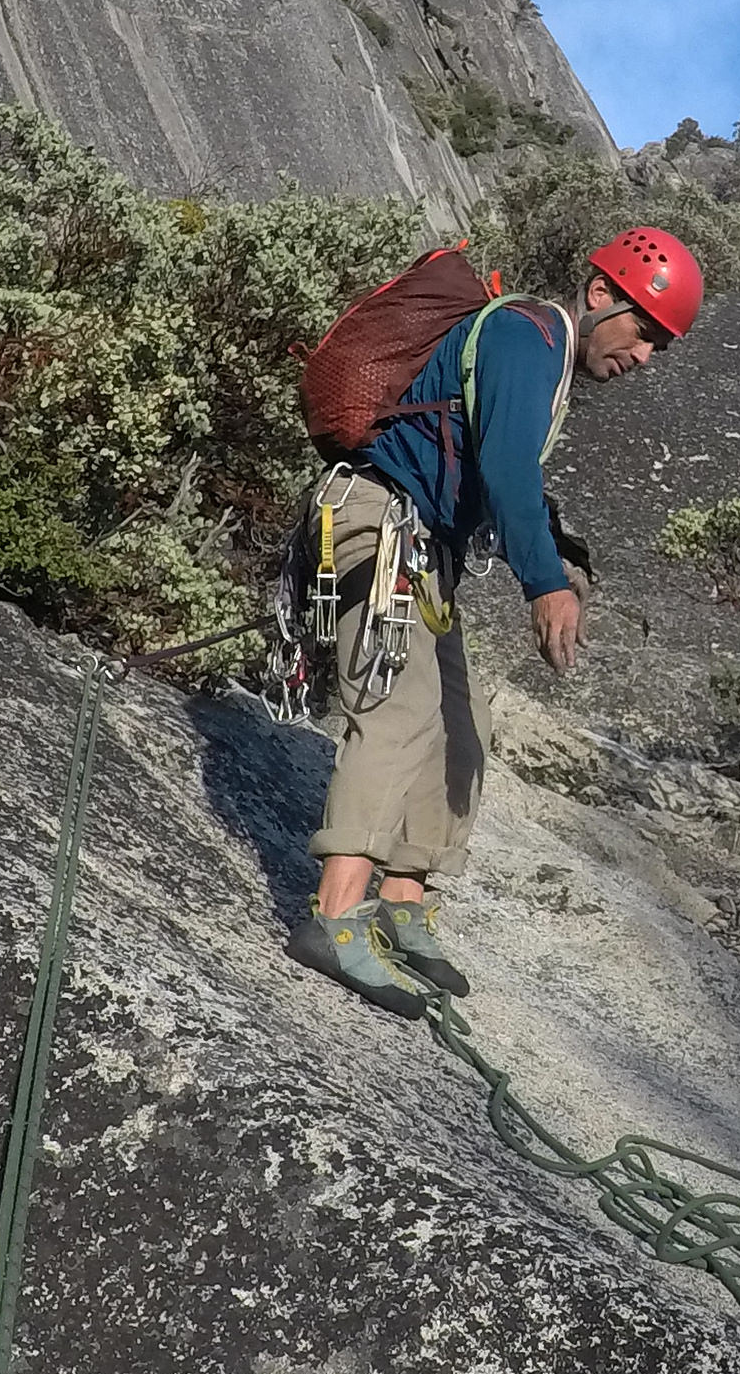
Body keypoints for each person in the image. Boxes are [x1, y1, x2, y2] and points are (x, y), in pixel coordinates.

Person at [284, 227, 703, 1018]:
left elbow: (495, 466)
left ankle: (403, 903)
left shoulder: (540, 358)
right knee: (400, 708)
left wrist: (552, 543)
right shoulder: (526, 334)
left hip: (420, 541)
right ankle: (334, 918)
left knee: (464, 719)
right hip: (379, 519)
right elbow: (508, 469)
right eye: (644, 333)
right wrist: (545, 583)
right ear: (603, 293)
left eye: (660, 346)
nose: (645, 356)